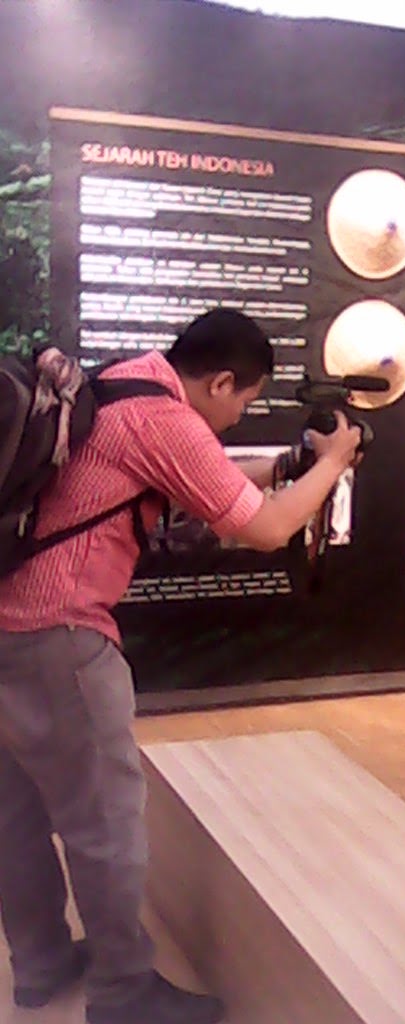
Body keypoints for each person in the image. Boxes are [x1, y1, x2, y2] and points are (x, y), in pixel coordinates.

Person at [0, 309, 361, 1024]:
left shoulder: (122, 383)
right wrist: (333, 462)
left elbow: (191, 484)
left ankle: (40, 964)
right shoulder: (165, 420)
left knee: (15, 815)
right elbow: (266, 528)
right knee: (105, 829)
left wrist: (285, 467)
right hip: (62, 638)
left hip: (8, 627)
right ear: (221, 381)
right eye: (243, 401)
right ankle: (123, 994)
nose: (237, 417)